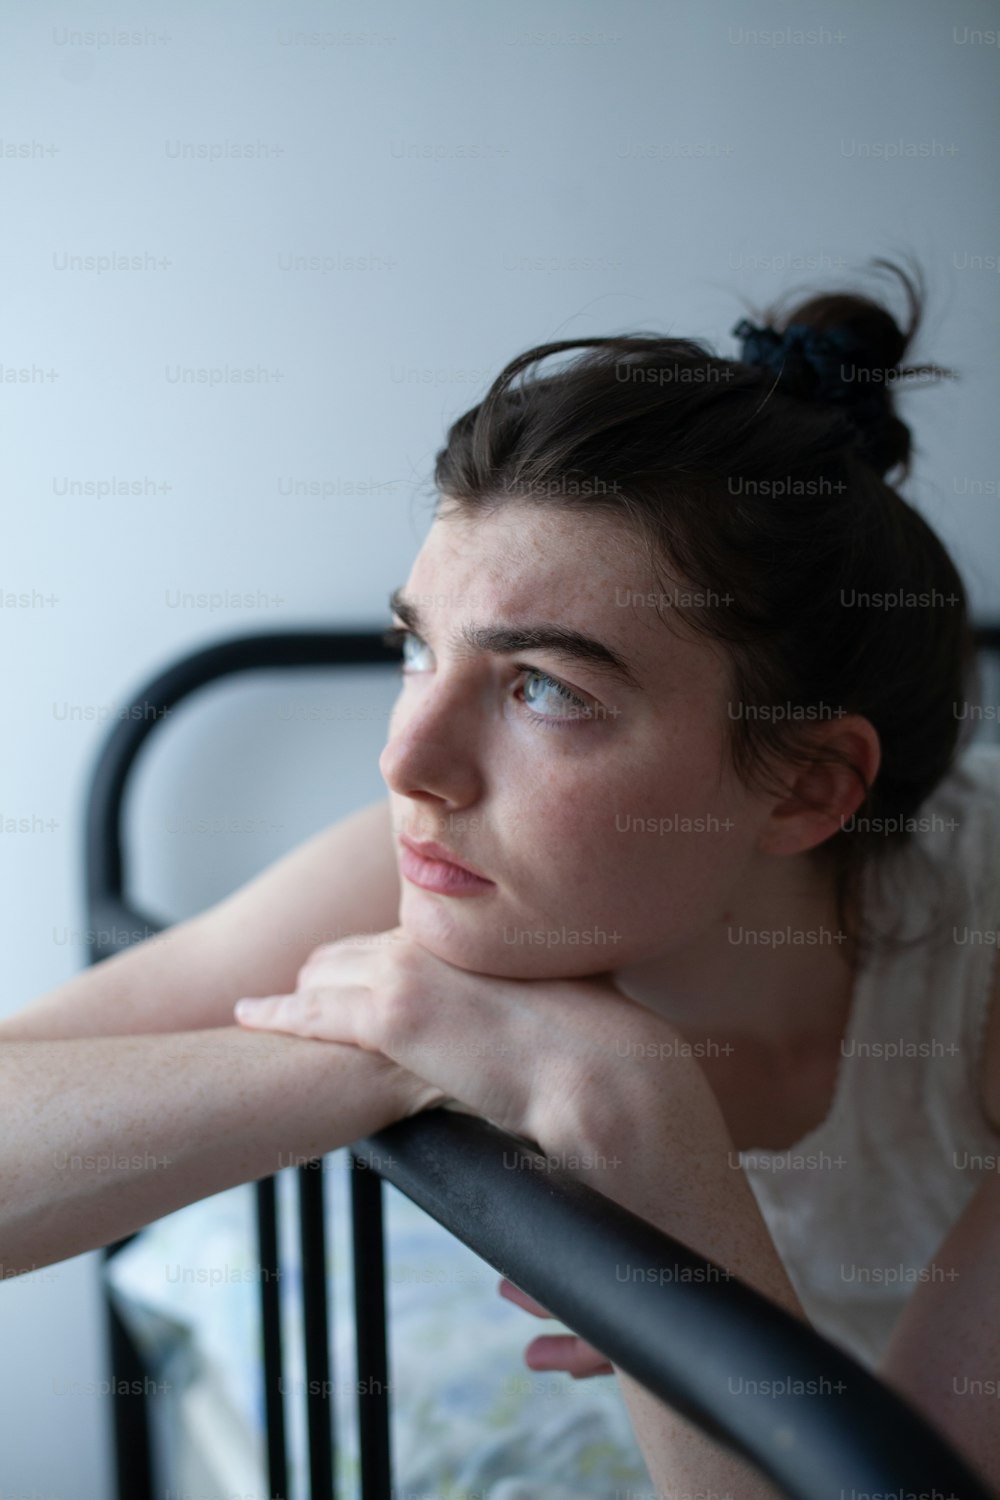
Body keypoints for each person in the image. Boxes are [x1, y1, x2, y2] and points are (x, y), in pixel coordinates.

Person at [3, 258, 999, 1499]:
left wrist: (640, 1124)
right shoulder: (454, 847)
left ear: (804, 786)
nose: (404, 760)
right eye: (416, 648)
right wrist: (389, 1056)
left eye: (546, 690)